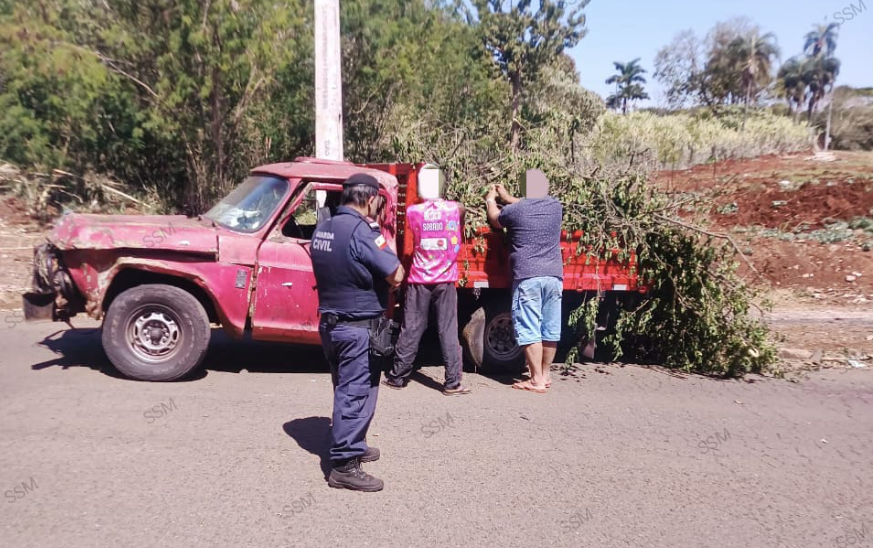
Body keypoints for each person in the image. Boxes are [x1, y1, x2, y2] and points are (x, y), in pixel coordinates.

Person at [310, 173, 405, 492]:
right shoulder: (364, 232)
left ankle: (353, 442)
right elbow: (396, 273)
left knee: (346, 388)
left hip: (331, 324)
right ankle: (345, 465)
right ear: (370, 199)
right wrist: (377, 231)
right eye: (378, 200)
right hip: (357, 328)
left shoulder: (323, 227)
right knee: (357, 393)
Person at [383, 165, 471, 396]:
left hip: (419, 278)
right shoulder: (455, 208)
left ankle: (397, 377)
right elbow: (461, 213)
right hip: (445, 280)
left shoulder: (414, 212)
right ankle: (452, 383)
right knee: (447, 331)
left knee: (411, 328)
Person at [485, 169, 563, 394]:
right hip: (554, 277)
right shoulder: (555, 206)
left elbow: (495, 220)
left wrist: (492, 199)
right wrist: (507, 197)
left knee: (529, 329)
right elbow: (531, 204)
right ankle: (545, 376)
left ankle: (536, 380)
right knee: (549, 328)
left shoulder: (516, 211)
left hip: (528, 276)